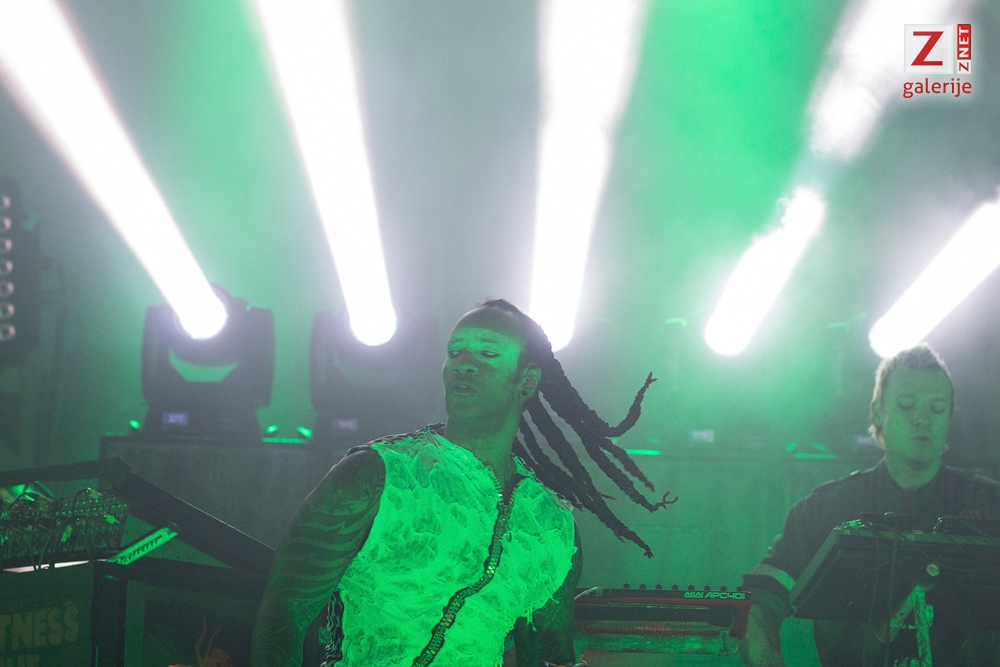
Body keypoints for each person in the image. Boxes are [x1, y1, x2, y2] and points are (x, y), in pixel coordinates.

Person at [250, 299, 674, 667]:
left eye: (488, 353)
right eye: (455, 352)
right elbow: (284, 614)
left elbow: (549, 656)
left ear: (527, 380)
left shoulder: (552, 526)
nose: (464, 363)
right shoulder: (375, 476)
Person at [740, 344, 1000, 666]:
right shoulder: (826, 509)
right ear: (877, 412)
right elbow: (758, 601)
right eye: (907, 405)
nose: (922, 418)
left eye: (937, 408)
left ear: (950, 417)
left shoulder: (991, 503)